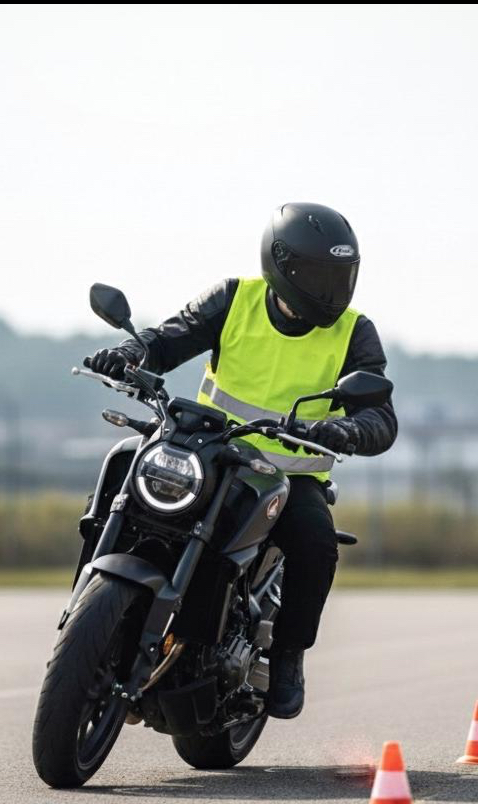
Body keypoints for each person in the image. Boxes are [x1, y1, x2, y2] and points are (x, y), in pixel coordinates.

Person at [84, 202, 397, 719]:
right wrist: (131, 353)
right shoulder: (234, 299)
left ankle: (288, 655)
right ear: (283, 265)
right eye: (320, 274)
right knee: (124, 465)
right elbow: (167, 339)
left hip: (290, 478)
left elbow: (380, 417)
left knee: (316, 544)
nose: (331, 288)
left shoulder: (354, 331)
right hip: (211, 455)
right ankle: (89, 600)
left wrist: (343, 428)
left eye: (340, 275)